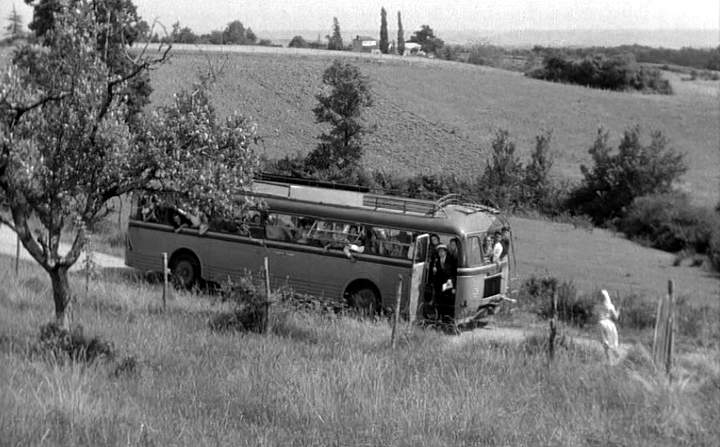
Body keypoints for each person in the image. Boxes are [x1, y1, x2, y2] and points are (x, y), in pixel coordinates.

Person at [429, 244, 457, 324]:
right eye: (439, 251)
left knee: (447, 301)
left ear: (445, 252)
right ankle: (439, 316)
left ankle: (447, 318)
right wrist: (434, 271)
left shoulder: (450, 260)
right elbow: (433, 273)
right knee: (439, 301)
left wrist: (451, 281)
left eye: (442, 251)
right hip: (439, 284)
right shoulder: (436, 260)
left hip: (448, 283)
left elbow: (454, 273)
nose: (440, 253)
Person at [597, 289, 620, 362]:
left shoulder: (598, 305)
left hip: (600, 323)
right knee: (612, 340)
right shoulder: (610, 306)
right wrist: (618, 310)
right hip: (609, 323)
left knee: (605, 342)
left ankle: (609, 360)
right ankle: (615, 354)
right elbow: (616, 317)